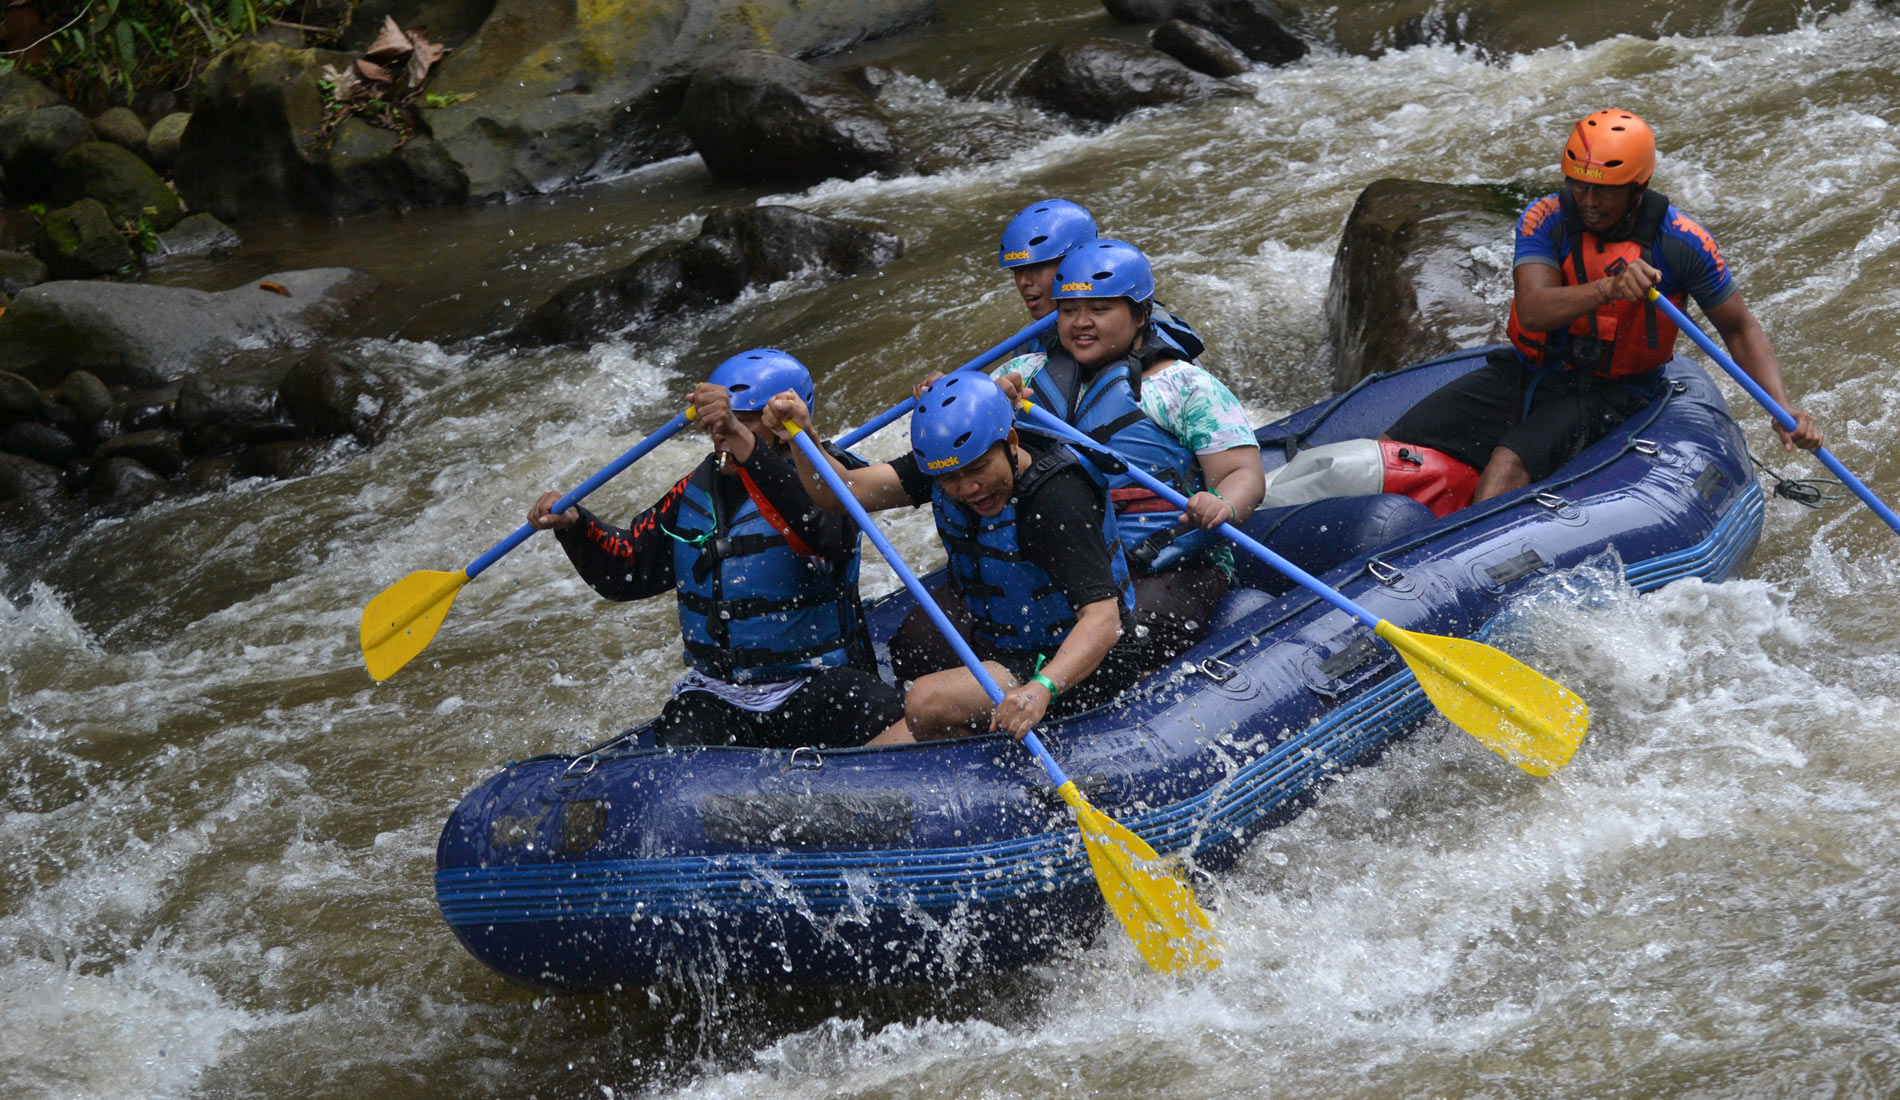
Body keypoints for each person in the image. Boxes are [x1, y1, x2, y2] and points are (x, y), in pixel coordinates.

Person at [1383, 108, 1823, 504]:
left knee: (1506, 467)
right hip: (1530, 372)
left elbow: (1739, 327)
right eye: (1580, 186)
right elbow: (1534, 310)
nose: (1589, 202)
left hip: (1612, 393)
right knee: (1391, 445)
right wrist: (1609, 288)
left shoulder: (1683, 243)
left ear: (1638, 187)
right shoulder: (1546, 219)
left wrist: (1780, 407)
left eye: (1605, 191)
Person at [525, 349, 904, 749]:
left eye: (741, 421)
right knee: (679, 741)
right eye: (720, 423)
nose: (722, 434)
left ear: (781, 425)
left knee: (883, 714)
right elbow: (630, 569)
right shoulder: (696, 489)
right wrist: (576, 526)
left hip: (818, 684)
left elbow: (824, 533)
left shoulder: (828, 479)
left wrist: (748, 448)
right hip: (721, 696)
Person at [767, 374, 1145, 744]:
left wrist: (1041, 689)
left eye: (978, 469)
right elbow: (843, 493)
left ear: (1011, 442)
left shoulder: (1057, 499)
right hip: (1010, 656)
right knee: (871, 759)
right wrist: (803, 439)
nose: (967, 489)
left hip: (1083, 666)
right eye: (951, 478)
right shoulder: (944, 463)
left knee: (926, 701)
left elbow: (1104, 621)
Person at [995, 238, 1264, 664]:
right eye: (1068, 311)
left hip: (1166, 564)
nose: (1081, 323)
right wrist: (977, 402)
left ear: (1140, 315)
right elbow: (963, 447)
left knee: (1128, 643)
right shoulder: (1023, 378)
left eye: (1100, 310)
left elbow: (1243, 471)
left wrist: (1223, 504)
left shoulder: (1184, 386)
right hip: (1063, 564)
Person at [995, 198, 1204, 359]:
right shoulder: (1029, 343)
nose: (1023, 281)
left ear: (1077, 261)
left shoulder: (1148, 329)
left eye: (1037, 267)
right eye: (1016, 270)